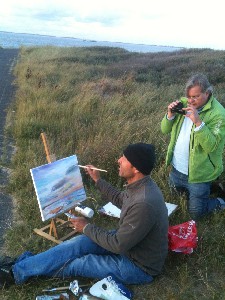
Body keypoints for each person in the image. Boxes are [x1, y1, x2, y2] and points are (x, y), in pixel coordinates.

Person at [0, 143, 169, 288]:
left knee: (80, 263)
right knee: (79, 243)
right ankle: (21, 267)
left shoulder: (144, 202)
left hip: (138, 266)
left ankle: (17, 273)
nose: (119, 160)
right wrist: (98, 180)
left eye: (124, 158)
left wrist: (86, 227)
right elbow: (120, 199)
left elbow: (118, 245)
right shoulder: (140, 185)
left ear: (136, 168)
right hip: (129, 246)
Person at [161, 73, 225, 220]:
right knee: (174, 200)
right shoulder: (183, 103)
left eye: (195, 97)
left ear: (207, 93)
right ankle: (210, 188)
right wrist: (169, 114)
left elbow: (212, 146)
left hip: (200, 174)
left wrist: (198, 122)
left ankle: (220, 200)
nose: (190, 101)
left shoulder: (219, 114)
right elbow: (164, 130)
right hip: (177, 169)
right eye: (189, 96)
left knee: (195, 214)